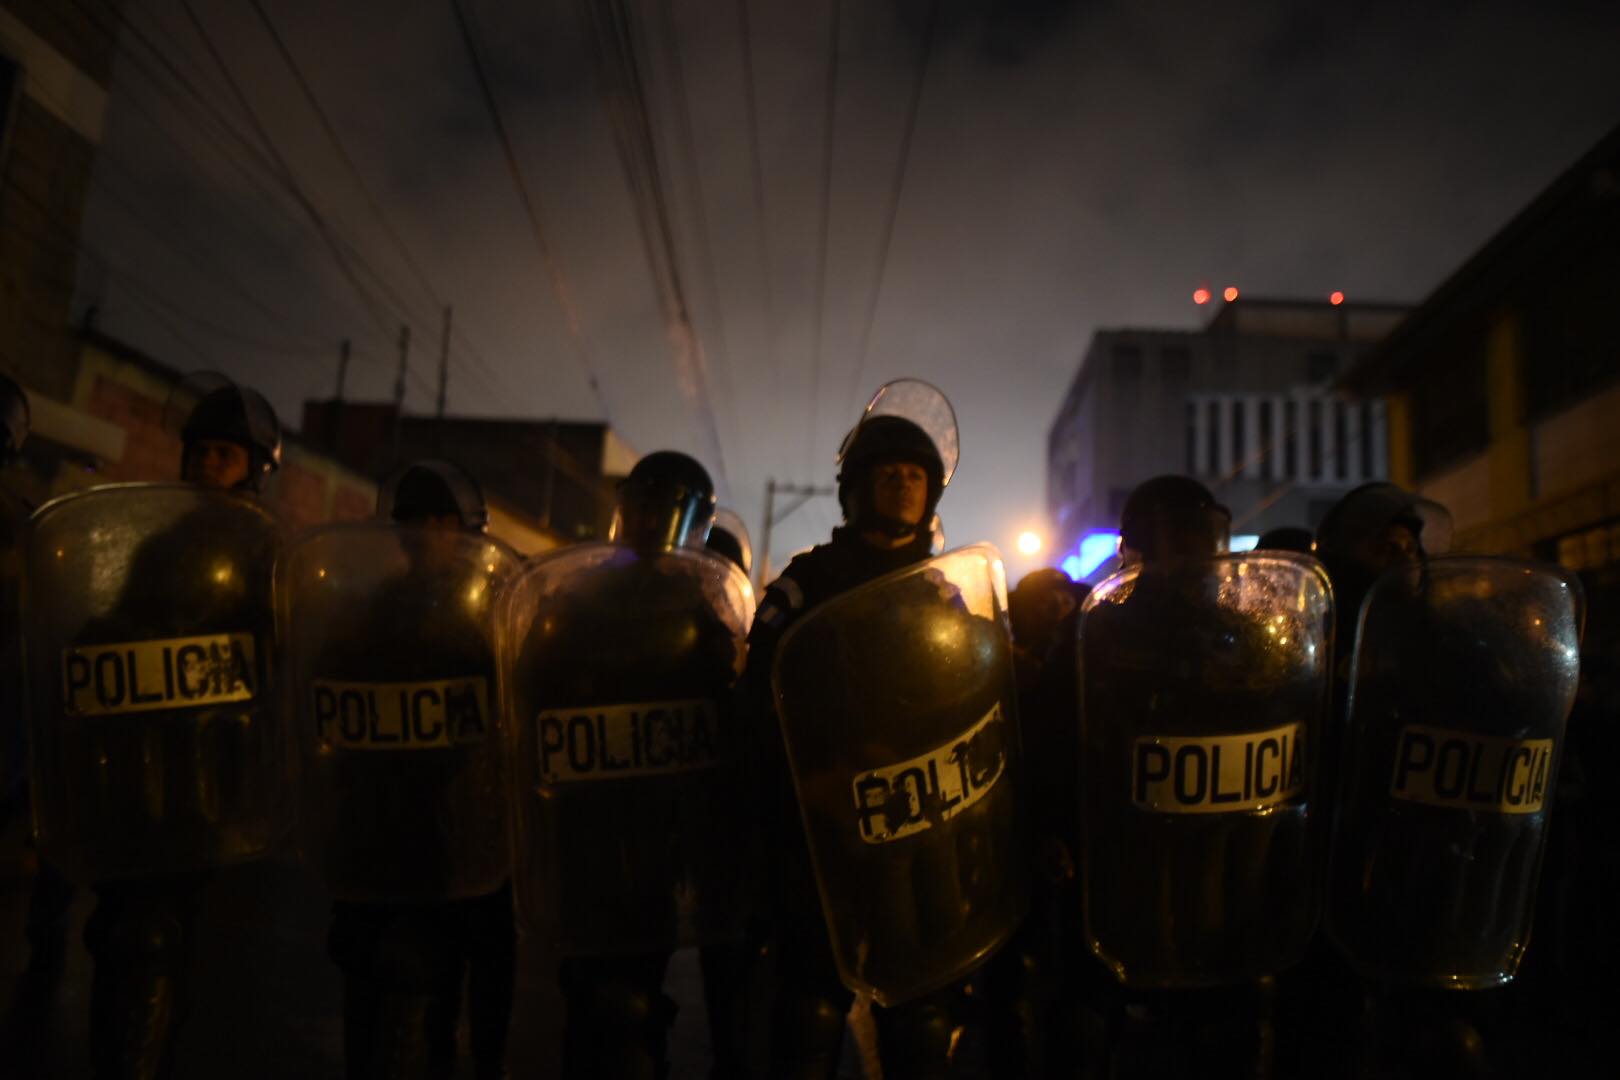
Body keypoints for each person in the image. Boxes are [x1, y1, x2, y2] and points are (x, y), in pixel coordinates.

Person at [744, 382, 971, 1079]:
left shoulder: (944, 589)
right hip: (828, 825)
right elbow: (758, 700)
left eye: (915, 476)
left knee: (923, 1015)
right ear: (855, 489)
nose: (903, 487)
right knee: (810, 1007)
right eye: (888, 474)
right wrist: (800, 791)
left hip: (920, 823)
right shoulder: (808, 583)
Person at [507, 451, 750, 1078]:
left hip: (658, 833)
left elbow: (726, 713)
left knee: (629, 998)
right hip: (585, 825)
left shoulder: (704, 609)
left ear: (692, 521)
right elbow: (532, 685)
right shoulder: (576, 593)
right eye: (639, 507)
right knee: (585, 992)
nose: (648, 522)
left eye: (664, 511)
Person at [72, 377, 282, 1080]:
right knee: (127, 933)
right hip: (142, 768)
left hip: (216, 780)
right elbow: (122, 625)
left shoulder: (268, 556)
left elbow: (277, 658)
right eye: (198, 451)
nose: (204, 464)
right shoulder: (159, 543)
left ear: (254, 466)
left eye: (222, 453)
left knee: (173, 940)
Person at [317, 461, 516, 1080]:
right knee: (366, 966)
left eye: (439, 520)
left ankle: (486, 1060)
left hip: (464, 825)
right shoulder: (371, 610)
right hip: (383, 822)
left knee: (486, 952)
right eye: (412, 521)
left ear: (467, 529)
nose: (425, 532)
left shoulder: (498, 613)